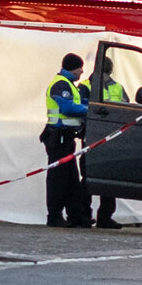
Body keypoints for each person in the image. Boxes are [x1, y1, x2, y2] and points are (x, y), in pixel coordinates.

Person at [42, 54, 92, 229]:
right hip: (59, 138)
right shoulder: (61, 84)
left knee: (71, 179)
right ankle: (54, 216)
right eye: (80, 67)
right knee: (58, 179)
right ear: (73, 67)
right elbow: (67, 107)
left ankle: (76, 216)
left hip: (66, 138)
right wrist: (89, 109)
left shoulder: (69, 84)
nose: (82, 71)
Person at [91, 60, 128, 230]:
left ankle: (85, 215)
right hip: (108, 138)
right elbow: (127, 109)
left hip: (96, 137)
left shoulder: (86, 85)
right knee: (106, 177)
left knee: (91, 177)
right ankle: (103, 217)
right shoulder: (118, 88)